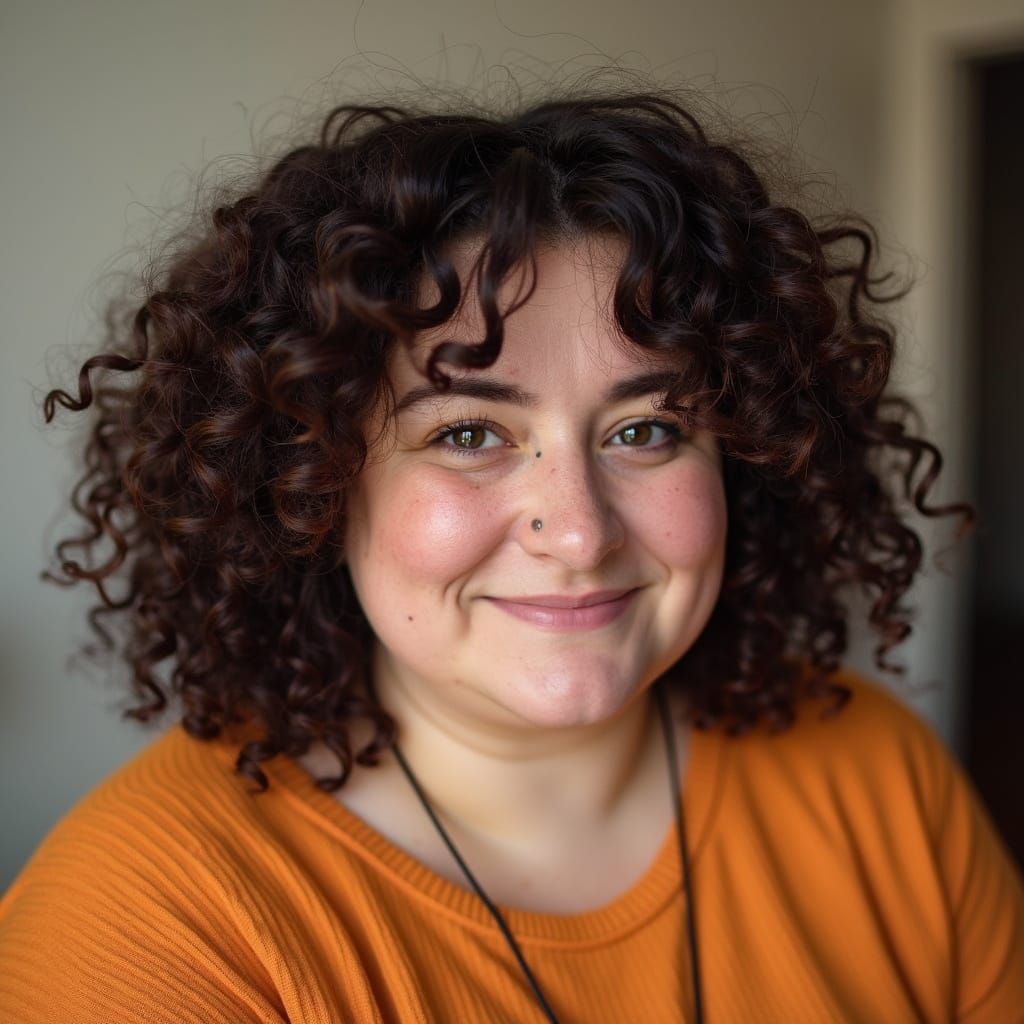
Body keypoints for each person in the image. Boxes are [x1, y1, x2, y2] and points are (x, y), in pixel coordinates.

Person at [1, 86, 1022, 1024]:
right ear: (310, 482)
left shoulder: (879, 774)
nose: (578, 532)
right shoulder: (141, 919)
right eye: (468, 434)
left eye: (645, 430)